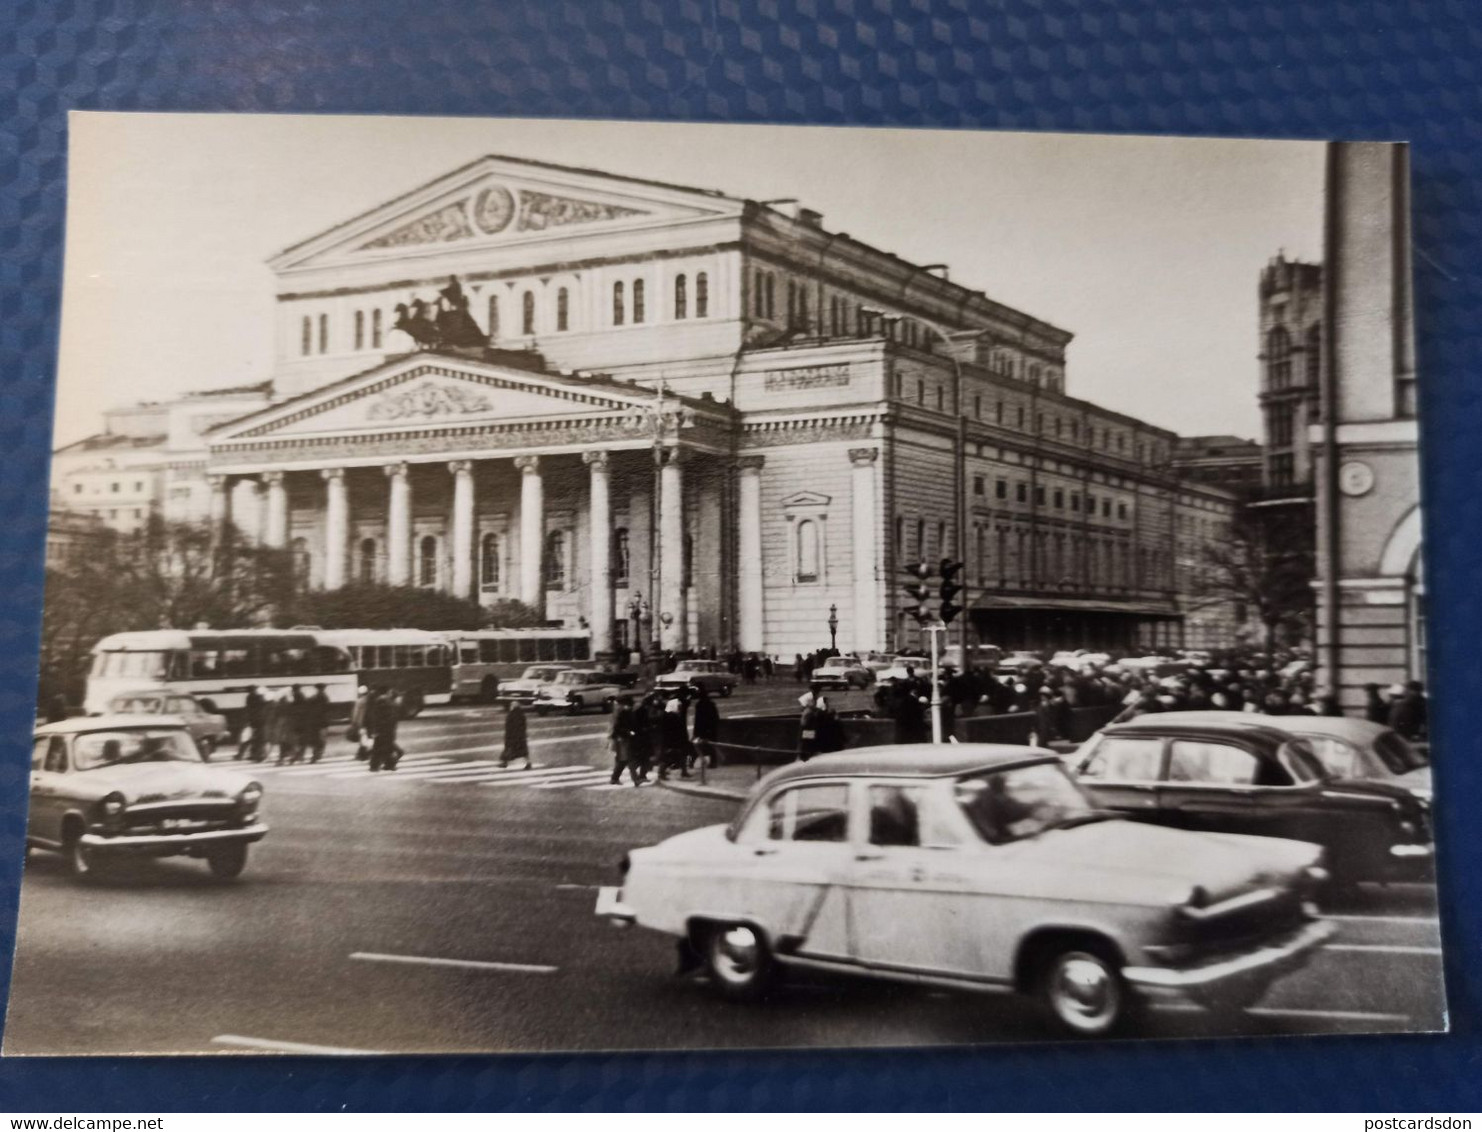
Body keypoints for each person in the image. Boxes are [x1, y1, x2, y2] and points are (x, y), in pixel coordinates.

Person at [609, 695, 641, 786]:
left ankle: (614, 778)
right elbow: (618, 727)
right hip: (623, 738)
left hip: (623, 738)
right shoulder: (624, 713)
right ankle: (636, 779)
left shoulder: (625, 712)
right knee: (629, 759)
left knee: (622, 760)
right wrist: (629, 732)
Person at [368, 688, 402, 772]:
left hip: (382, 731)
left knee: (377, 749)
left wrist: (375, 730)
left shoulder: (382, 704)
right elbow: (392, 720)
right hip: (389, 731)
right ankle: (389, 765)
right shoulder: (393, 705)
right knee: (388, 748)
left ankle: (375, 766)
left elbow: (377, 719)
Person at [690, 684, 720, 772]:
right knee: (711, 746)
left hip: (702, 729)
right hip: (711, 728)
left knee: (698, 746)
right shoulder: (711, 704)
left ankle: (692, 761)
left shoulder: (699, 705)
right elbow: (716, 717)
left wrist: (696, 732)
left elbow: (698, 719)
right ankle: (713, 762)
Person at [301, 683, 330, 763]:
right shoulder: (324, 697)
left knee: (318, 739)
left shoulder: (317, 697)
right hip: (322, 721)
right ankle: (317, 754)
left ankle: (316, 755)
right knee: (320, 739)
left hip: (318, 721)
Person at [500, 699, 531, 770]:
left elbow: (508, 726)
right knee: (523, 752)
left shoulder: (511, 715)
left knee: (508, 749)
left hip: (512, 736)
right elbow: (523, 726)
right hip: (520, 736)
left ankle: (504, 763)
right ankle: (528, 763)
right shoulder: (521, 715)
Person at [239, 686, 267, 762]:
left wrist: (247, 720)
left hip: (254, 720)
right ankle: (259, 755)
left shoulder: (250, 697)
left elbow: (248, 709)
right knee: (259, 738)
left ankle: (256, 755)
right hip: (260, 720)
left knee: (252, 737)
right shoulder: (260, 697)